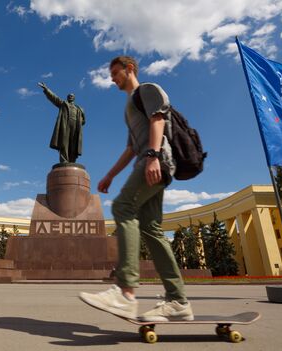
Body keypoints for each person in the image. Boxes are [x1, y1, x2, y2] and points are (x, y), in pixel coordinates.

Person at [79, 56, 193, 322]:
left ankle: (125, 292)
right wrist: (109, 174)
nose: (112, 78)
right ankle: (178, 301)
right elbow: (131, 147)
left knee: (123, 207)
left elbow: (159, 119)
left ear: (129, 69)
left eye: (115, 73)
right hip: (147, 161)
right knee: (151, 229)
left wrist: (153, 155)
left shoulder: (147, 90)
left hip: (155, 161)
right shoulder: (130, 106)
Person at [38, 82, 85, 164]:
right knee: (64, 143)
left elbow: (84, 121)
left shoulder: (79, 109)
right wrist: (46, 89)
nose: (70, 97)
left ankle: (72, 161)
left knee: (73, 144)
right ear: (67, 97)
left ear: (74, 98)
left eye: (72, 96)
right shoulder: (63, 104)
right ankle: (64, 160)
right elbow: (54, 98)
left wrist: (80, 121)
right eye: (69, 96)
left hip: (75, 126)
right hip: (65, 125)